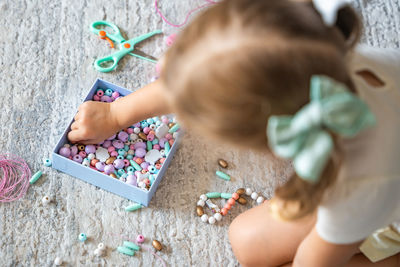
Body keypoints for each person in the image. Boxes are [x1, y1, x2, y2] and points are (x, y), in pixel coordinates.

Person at [68, 0, 400, 266]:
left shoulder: (355, 187)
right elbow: (210, 74)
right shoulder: (313, 52)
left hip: (386, 208)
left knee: (252, 244)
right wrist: (117, 112)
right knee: (249, 240)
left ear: (271, 143)